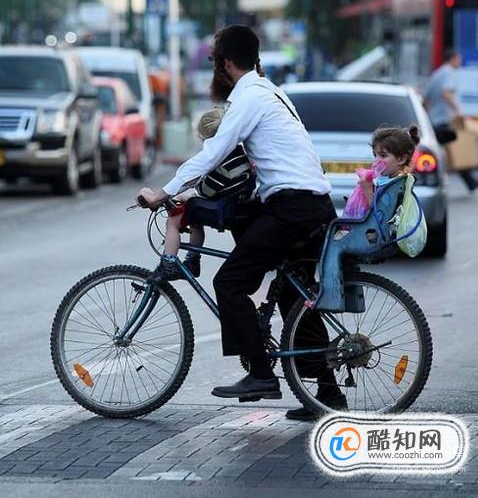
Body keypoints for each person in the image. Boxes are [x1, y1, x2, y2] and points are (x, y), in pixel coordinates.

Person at [137, 24, 344, 416]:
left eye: (217, 61)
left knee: (229, 282)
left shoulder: (248, 97)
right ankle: (327, 394)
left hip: (292, 208)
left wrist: (164, 192)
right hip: (315, 205)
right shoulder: (272, 91)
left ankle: (262, 374)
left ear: (226, 63)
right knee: (293, 296)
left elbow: (214, 153)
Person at [160, 106, 253, 278]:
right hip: (238, 203)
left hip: (228, 209)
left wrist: (183, 196)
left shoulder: (221, 159)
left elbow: (206, 191)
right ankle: (192, 258)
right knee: (194, 213)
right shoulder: (237, 153)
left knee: (175, 218)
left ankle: (169, 262)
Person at [424, 50, 478, 191]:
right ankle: (463, 179)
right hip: (443, 119)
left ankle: (470, 181)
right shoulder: (448, 73)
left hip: (434, 118)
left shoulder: (437, 74)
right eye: (459, 59)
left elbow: (427, 98)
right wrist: (458, 110)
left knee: (451, 149)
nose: (460, 63)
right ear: (453, 59)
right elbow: (447, 93)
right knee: (453, 148)